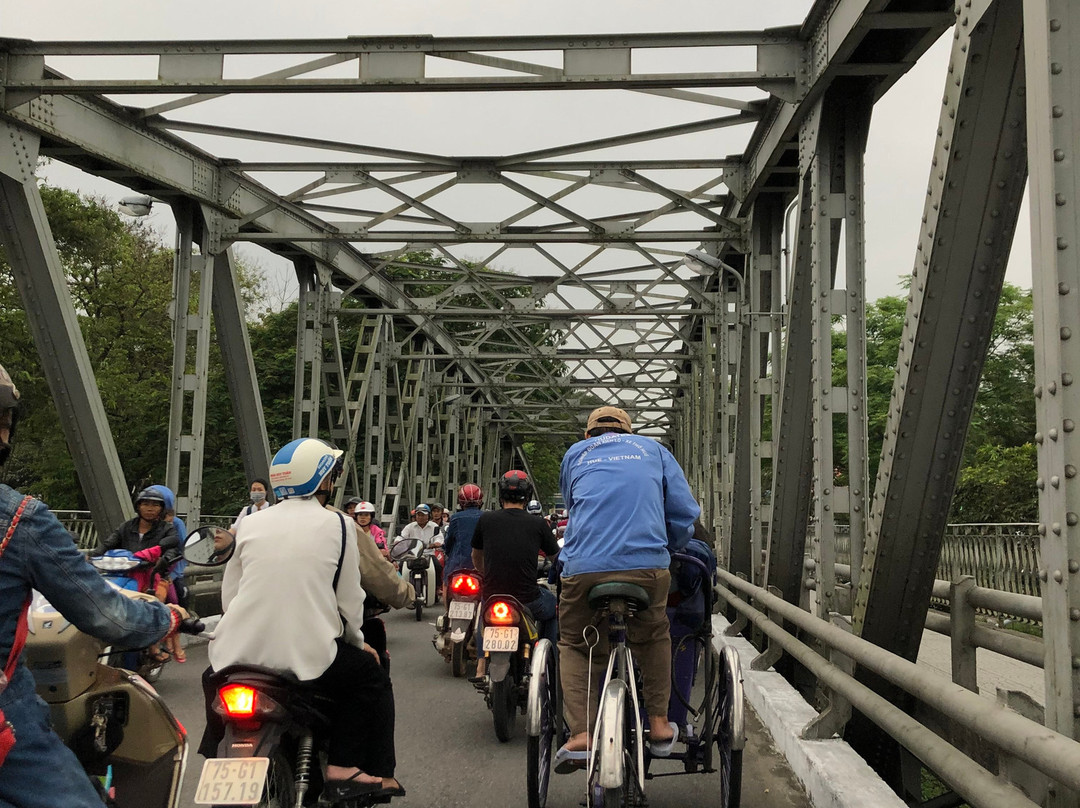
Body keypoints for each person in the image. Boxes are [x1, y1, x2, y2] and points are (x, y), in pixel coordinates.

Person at [0, 363, 188, 808]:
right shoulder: (22, 519)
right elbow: (105, 611)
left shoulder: (169, 529)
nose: (145, 508)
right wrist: (167, 619)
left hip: (153, 573)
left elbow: (166, 557)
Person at [201, 438, 402, 800]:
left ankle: (216, 750)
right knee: (369, 677)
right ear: (323, 481)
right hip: (306, 653)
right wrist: (359, 642)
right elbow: (348, 600)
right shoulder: (338, 526)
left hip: (238, 652)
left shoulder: (248, 524)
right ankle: (346, 767)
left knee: (211, 679)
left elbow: (230, 595)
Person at [554, 406, 699, 769]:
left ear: (588, 434)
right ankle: (661, 725)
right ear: (629, 432)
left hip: (584, 568)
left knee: (576, 642)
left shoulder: (576, 453)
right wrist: (670, 546)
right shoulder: (653, 451)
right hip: (647, 566)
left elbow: (574, 505)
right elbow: (683, 513)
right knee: (652, 635)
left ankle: (582, 733)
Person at [470, 471, 559, 681]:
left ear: (500, 494)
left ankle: (481, 665)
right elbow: (557, 559)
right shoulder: (538, 524)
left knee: (484, 611)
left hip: (494, 596)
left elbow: (476, 555)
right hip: (528, 600)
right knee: (551, 608)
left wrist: (486, 574)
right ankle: (550, 664)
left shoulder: (486, 520)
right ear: (527, 497)